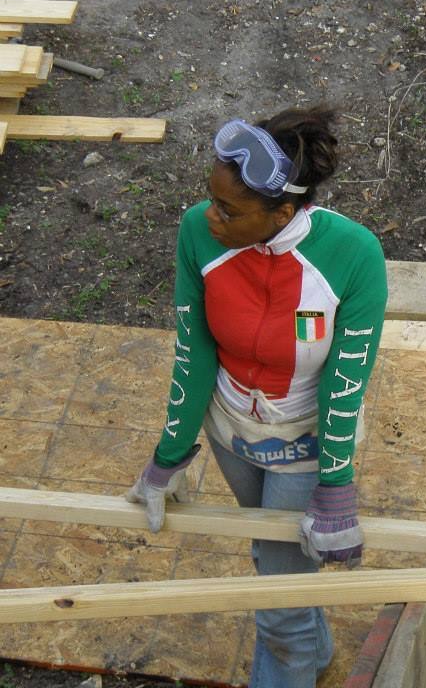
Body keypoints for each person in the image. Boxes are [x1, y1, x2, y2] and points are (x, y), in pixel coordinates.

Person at [125, 104, 388, 688]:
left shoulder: (353, 255)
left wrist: (336, 484)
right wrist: (168, 457)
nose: (210, 216)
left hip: (305, 436)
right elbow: (194, 352)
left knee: (277, 601)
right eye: (211, 200)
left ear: (284, 211)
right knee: (275, 558)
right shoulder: (199, 232)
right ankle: (315, 660)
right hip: (231, 431)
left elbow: (347, 380)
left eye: (230, 210)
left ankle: (291, 663)